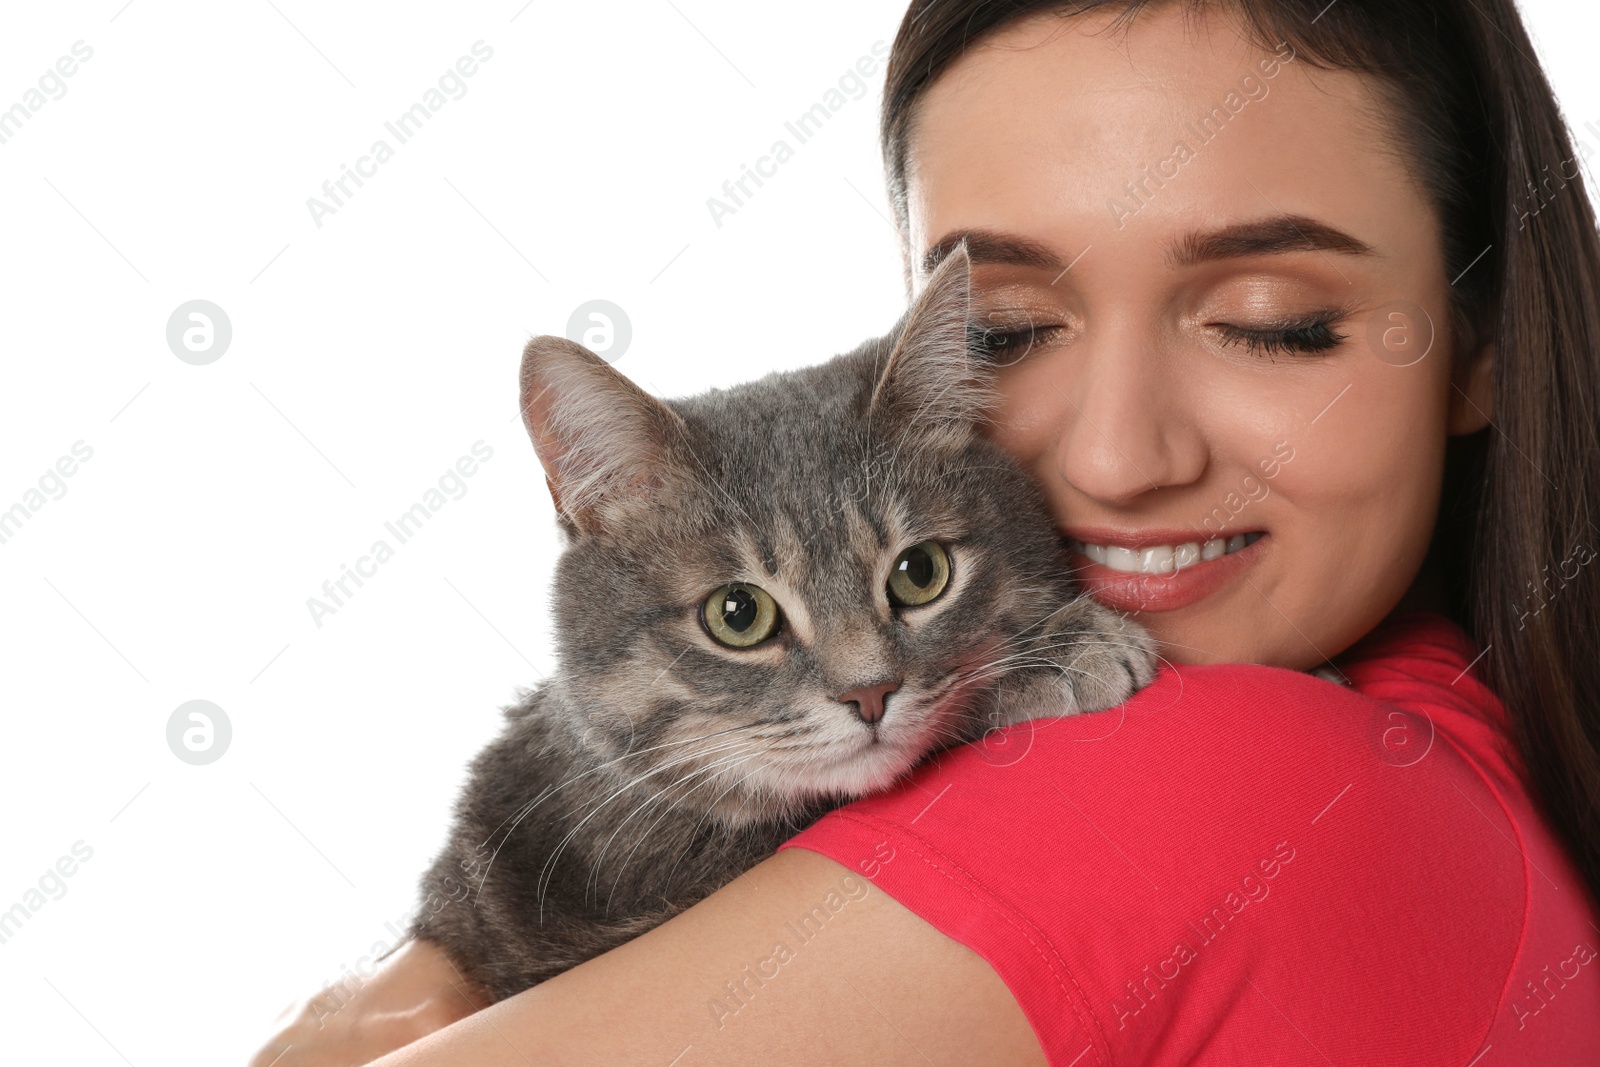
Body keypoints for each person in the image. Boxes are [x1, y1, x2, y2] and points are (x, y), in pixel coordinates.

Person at [249, 0, 1600, 1063]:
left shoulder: (1234, 779)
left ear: (1478, 333)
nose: (1121, 461)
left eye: (1271, 318)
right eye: (1007, 332)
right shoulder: (1460, 748)